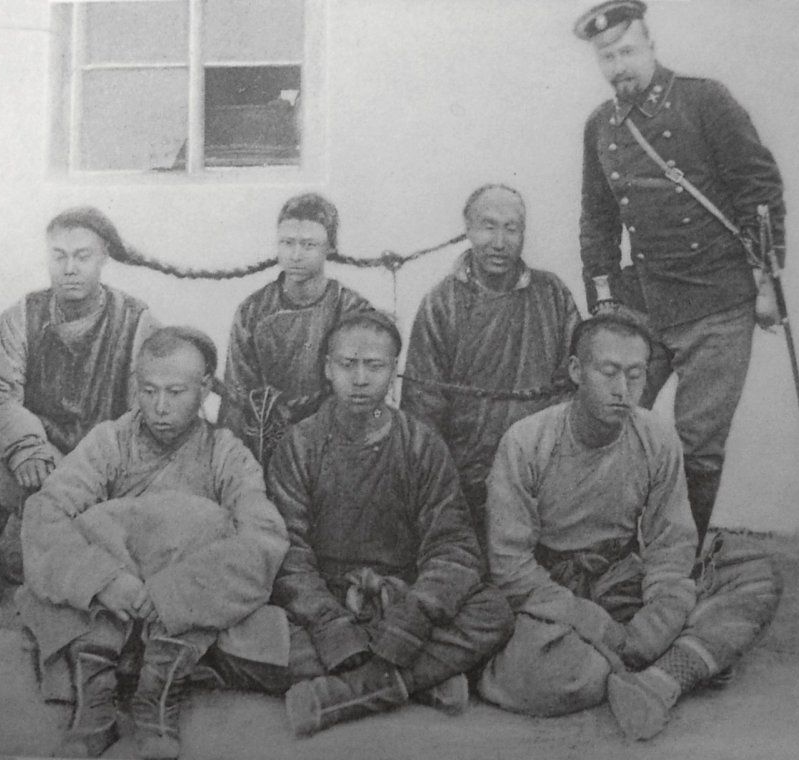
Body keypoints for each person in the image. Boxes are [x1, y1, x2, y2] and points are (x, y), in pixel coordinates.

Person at [479, 313, 781, 740]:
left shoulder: (656, 437)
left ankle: (661, 679)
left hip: (620, 576)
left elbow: (669, 545)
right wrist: (587, 619)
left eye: (636, 375)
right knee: (548, 678)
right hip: (552, 590)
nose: (623, 389)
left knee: (750, 572)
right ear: (576, 371)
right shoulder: (527, 441)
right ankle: (690, 657)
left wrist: (654, 624)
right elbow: (510, 564)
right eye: (608, 372)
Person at [18, 326, 289, 759]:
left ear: (205, 389)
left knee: (212, 526)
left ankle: (155, 702)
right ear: (136, 386)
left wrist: (173, 592)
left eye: (176, 392)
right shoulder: (109, 441)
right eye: (149, 390)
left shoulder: (226, 453)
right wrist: (104, 579)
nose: (160, 407)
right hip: (111, 603)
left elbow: (265, 536)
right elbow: (45, 513)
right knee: (79, 537)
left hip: (179, 610)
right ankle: (95, 708)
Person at [575, 0, 786, 547]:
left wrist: (767, 282)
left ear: (650, 46)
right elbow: (597, 218)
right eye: (607, 57)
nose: (619, 65)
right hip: (646, 302)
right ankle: (611, 546)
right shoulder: (600, 126)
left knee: (698, 443)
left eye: (627, 51)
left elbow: (758, 190)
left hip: (718, 303)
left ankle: (679, 556)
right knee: (610, 422)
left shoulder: (704, 99)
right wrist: (603, 299)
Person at [266, 311, 514, 737]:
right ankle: (421, 677)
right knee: (248, 633)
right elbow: (288, 550)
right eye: (348, 364)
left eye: (375, 366)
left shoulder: (420, 443)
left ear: (393, 372)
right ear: (328, 368)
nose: (360, 379)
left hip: (402, 600)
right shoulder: (300, 444)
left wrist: (413, 616)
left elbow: (452, 544)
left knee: (493, 612)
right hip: (326, 603)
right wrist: (329, 623)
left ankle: (348, 692)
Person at [0, 207, 157, 603]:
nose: (69, 268)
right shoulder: (22, 317)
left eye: (82, 256)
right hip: (40, 463)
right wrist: (25, 446)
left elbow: (148, 408)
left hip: (108, 468)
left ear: (103, 258)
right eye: (58, 256)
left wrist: (100, 468)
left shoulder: (136, 322)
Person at [401, 184, 580, 544]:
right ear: (468, 229)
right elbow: (422, 412)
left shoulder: (552, 294)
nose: (499, 242)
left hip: (542, 480)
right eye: (488, 226)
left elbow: (575, 388)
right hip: (465, 485)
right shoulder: (441, 304)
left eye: (511, 229)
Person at [218, 193, 373, 467]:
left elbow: (363, 390)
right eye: (287, 243)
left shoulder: (351, 310)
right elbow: (238, 397)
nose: (296, 255)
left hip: (336, 447)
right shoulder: (253, 311)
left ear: (330, 247)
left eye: (309, 245)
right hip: (266, 446)